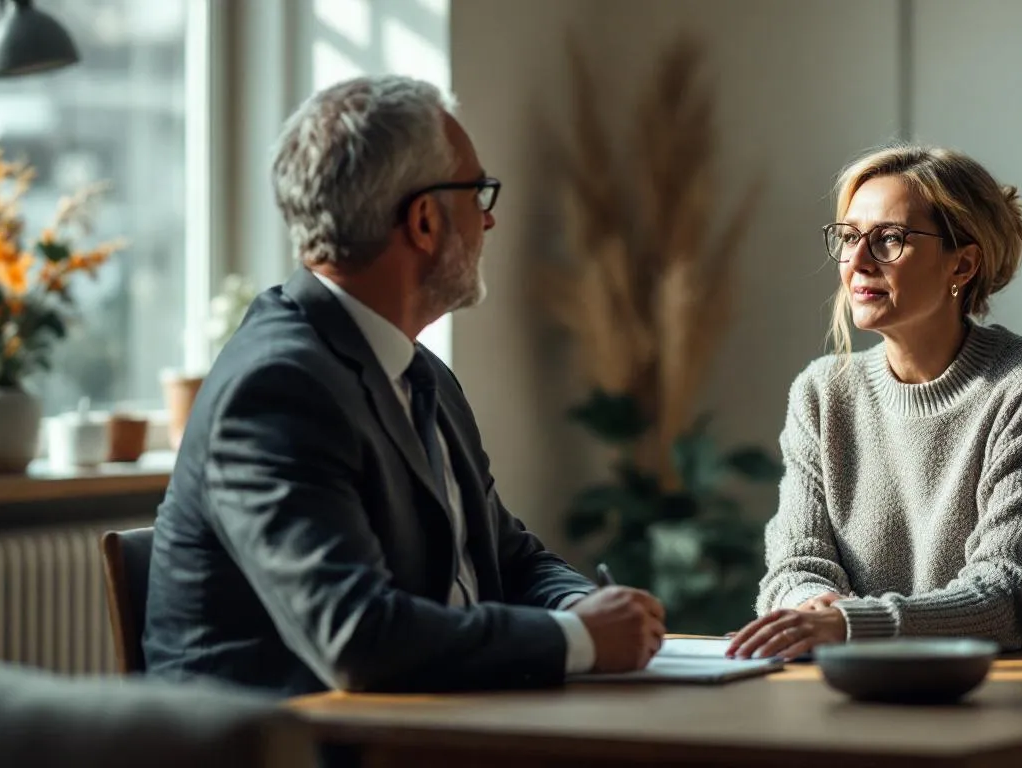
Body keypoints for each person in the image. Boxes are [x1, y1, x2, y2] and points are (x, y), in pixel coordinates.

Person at [143, 75, 666, 697]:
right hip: (294, 738)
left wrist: (584, 607)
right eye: (477, 193)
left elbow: (508, 557)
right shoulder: (276, 388)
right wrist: (578, 640)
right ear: (423, 220)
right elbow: (356, 637)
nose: (489, 219)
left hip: (430, 722)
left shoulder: (420, 373)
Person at [727, 144, 1022, 660]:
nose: (858, 262)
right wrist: (811, 607)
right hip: (868, 678)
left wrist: (848, 623)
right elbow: (794, 563)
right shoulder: (822, 393)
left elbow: (1008, 596)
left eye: (889, 239)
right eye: (849, 237)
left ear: (962, 264)